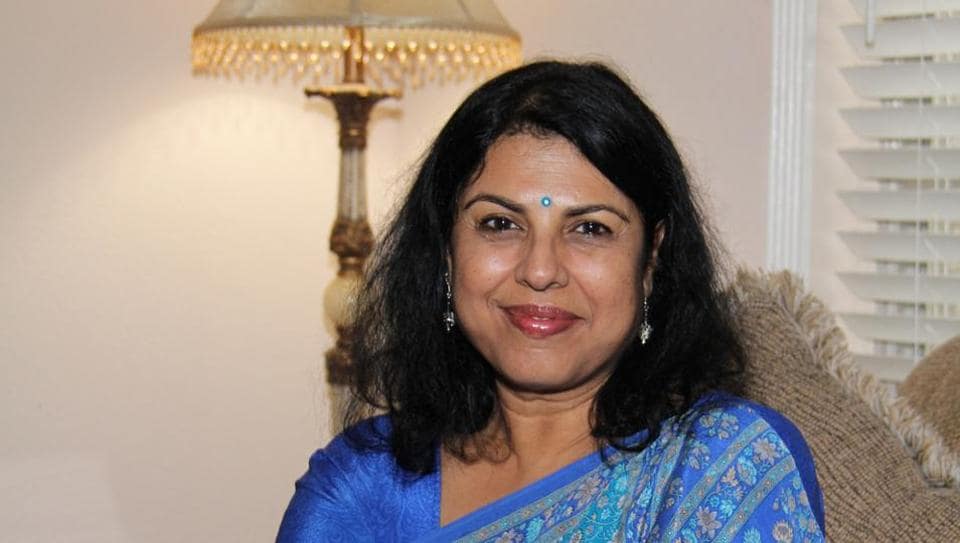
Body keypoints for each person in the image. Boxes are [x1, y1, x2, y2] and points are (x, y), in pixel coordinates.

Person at [277, 60, 826, 542]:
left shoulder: (721, 470)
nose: (540, 271)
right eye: (500, 223)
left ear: (650, 261)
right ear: (447, 250)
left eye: (590, 229)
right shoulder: (362, 487)